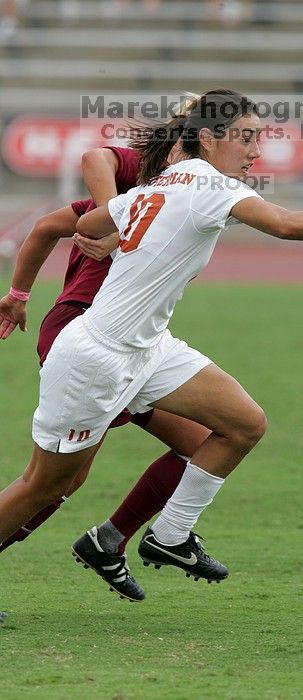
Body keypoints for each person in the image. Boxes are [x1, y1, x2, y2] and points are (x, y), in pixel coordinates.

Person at [0, 89, 303, 597]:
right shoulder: (207, 184)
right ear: (209, 138)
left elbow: (87, 223)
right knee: (46, 485)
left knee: (243, 424)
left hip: (148, 350)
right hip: (95, 358)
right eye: (245, 138)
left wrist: (116, 228)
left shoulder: (166, 182)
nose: (255, 151)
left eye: (257, 139)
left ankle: (170, 536)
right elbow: (284, 224)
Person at [0, 142, 211, 602]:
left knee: (201, 443)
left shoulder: (197, 192)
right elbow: (95, 158)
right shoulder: (141, 185)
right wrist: (113, 217)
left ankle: (109, 541)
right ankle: (110, 542)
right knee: (55, 480)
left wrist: (18, 295)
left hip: (128, 347)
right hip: (86, 337)